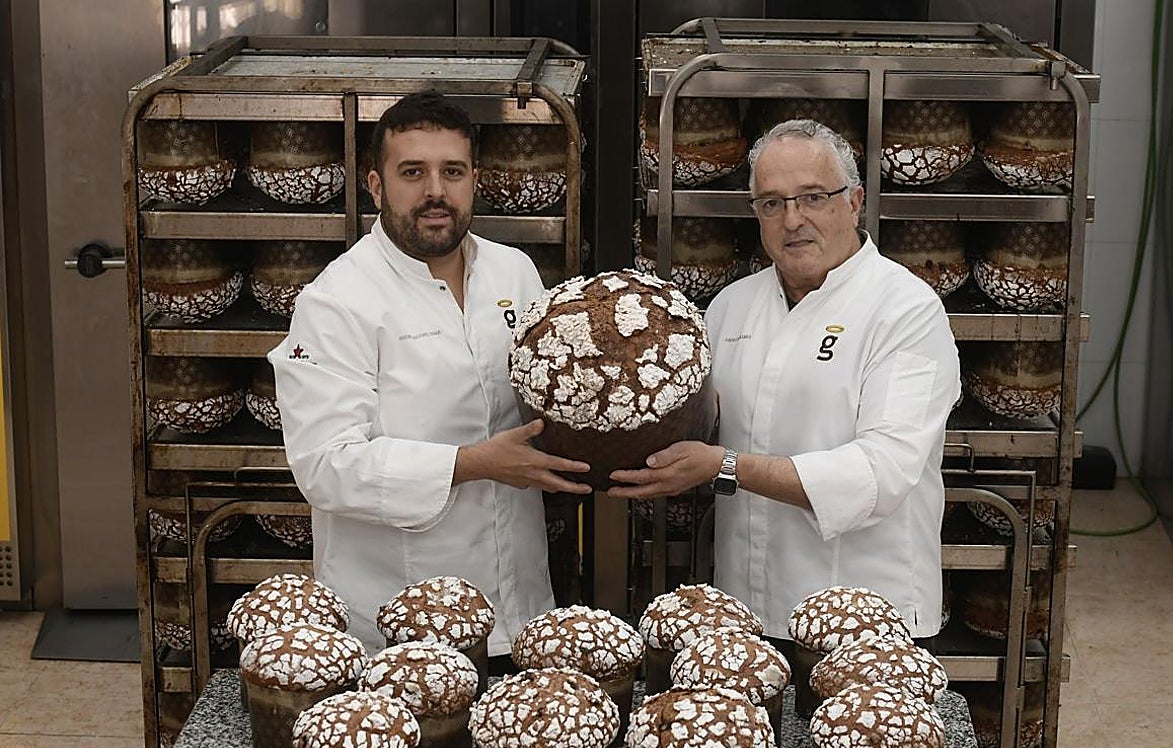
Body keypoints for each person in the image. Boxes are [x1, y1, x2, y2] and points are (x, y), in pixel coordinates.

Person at [609, 119, 960, 641]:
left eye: (813, 197)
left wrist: (726, 467)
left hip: (864, 622)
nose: (792, 219)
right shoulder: (732, 307)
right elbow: (693, 423)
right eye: (772, 203)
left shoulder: (906, 311)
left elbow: (880, 475)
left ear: (855, 201)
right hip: (745, 615)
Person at [268, 91, 590, 656]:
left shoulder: (513, 272)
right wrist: (471, 464)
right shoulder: (337, 301)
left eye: (452, 171)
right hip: (400, 624)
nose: (435, 191)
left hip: (519, 610)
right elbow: (325, 466)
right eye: (412, 172)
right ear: (375, 186)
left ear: (475, 180)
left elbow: (548, 395)